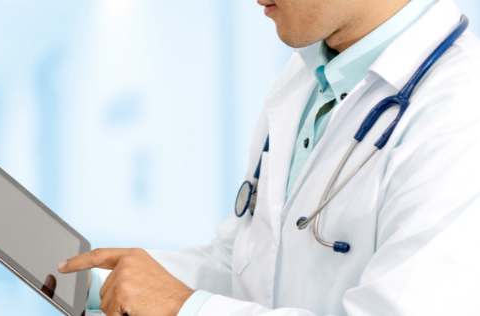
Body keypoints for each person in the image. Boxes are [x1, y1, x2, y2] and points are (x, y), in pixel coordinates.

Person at [57, 0, 480, 315]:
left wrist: (186, 309)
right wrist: (102, 283)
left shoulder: (460, 110)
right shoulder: (306, 76)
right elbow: (245, 261)